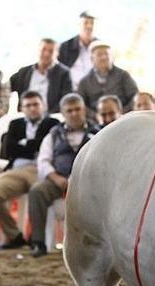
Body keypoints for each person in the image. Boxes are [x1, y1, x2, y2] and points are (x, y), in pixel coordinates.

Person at [29, 93, 99, 257]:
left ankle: (94, 244)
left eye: (77, 109)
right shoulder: (53, 134)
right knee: (37, 191)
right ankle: (38, 243)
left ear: (84, 110)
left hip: (89, 183)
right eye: (69, 110)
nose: (74, 114)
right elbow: (43, 161)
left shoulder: (98, 132)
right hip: (59, 180)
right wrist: (56, 178)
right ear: (63, 113)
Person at [0, 91, 61, 249]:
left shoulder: (53, 123)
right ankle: (15, 236)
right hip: (16, 171)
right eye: (28, 105)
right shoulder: (15, 124)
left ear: (43, 106)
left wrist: (24, 144)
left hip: (41, 169)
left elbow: (51, 148)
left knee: (38, 194)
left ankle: (36, 238)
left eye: (36, 104)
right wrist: (35, 145)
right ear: (22, 108)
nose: (32, 108)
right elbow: (9, 149)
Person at [76, 41, 139, 120]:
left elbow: (135, 97)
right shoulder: (84, 82)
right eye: (99, 55)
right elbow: (80, 104)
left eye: (106, 54)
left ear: (112, 57)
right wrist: (95, 116)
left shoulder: (123, 75)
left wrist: (121, 113)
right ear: (92, 59)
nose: (104, 57)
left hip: (123, 118)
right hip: (96, 122)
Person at [9, 38, 73, 114]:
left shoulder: (64, 74)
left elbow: (66, 100)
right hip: (25, 115)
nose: (46, 54)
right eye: (43, 50)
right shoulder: (24, 72)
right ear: (38, 50)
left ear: (57, 53)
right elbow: (6, 87)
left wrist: (47, 115)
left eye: (51, 51)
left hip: (51, 115)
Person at [58, 11, 98, 89]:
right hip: (71, 90)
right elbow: (58, 71)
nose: (89, 26)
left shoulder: (101, 48)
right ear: (79, 25)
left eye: (92, 23)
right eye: (86, 23)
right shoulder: (65, 47)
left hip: (95, 91)